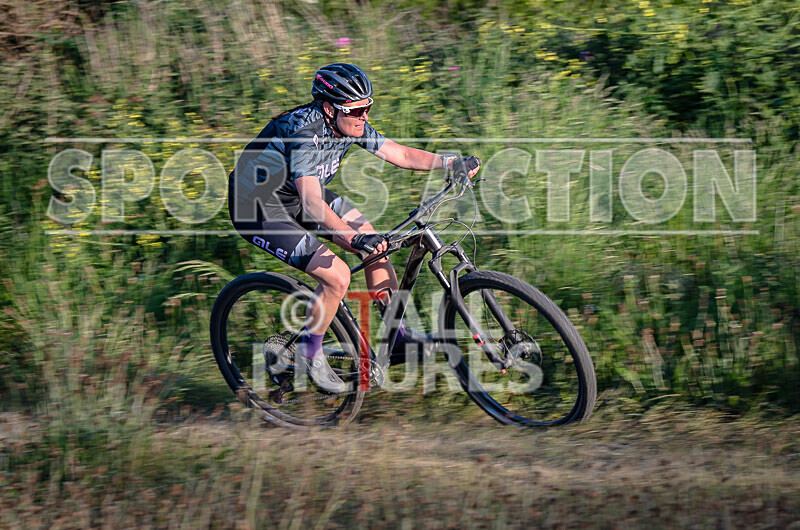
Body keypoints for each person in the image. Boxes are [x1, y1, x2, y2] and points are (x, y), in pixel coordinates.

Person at [228, 63, 481, 393]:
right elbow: (313, 204)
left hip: (293, 193)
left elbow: (400, 153)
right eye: (358, 110)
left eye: (368, 107)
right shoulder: (304, 133)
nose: (364, 116)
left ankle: (398, 335)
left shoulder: (349, 124)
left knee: (381, 246)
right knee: (338, 275)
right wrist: (353, 237)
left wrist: (450, 162)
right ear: (331, 109)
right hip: (257, 206)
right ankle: (308, 353)